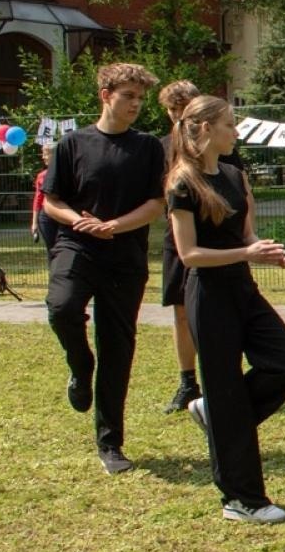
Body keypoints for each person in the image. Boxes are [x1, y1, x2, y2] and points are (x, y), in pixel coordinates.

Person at [168, 96, 285, 524]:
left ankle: (215, 413)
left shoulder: (233, 174)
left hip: (242, 287)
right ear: (205, 129)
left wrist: (260, 251)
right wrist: (247, 252)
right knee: (225, 390)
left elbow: (245, 234)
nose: (236, 132)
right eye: (229, 125)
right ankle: (242, 500)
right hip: (208, 294)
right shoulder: (181, 184)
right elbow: (188, 255)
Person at [42, 63, 167, 475]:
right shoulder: (71, 145)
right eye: (128, 95)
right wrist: (77, 219)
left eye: (140, 97)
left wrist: (114, 225)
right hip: (76, 245)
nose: (136, 104)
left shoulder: (148, 147)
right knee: (62, 308)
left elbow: (155, 204)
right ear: (105, 95)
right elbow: (51, 200)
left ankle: (110, 443)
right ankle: (80, 365)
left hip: (124, 255)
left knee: (118, 346)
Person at [157, 80, 246, 415]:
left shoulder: (223, 147)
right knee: (182, 312)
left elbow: (238, 188)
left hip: (218, 238)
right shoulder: (163, 148)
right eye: (173, 110)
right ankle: (187, 381)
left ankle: (221, 383)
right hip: (181, 239)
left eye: (185, 108)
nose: (179, 117)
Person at [30, 143, 58, 264]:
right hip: (46, 217)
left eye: (46, 154)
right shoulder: (41, 176)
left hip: (64, 216)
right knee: (51, 250)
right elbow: (38, 199)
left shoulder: (68, 173)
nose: (43, 157)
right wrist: (34, 223)